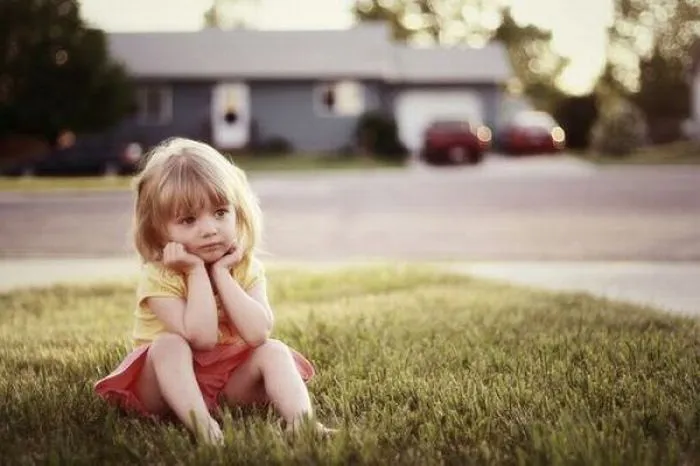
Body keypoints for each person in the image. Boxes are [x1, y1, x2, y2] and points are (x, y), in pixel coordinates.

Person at [94, 137, 333, 444]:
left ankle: (303, 425)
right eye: (188, 220)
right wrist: (195, 271)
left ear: (238, 211)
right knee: (168, 345)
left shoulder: (244, 267)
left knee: (274, 350)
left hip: (226, 383)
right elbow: (202, 338)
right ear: (158, 229)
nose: (209, 229)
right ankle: (204, 427)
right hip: (168, 389)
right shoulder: (159, 277)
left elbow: (258, 332)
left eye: (220, 212)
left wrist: (222, 274)